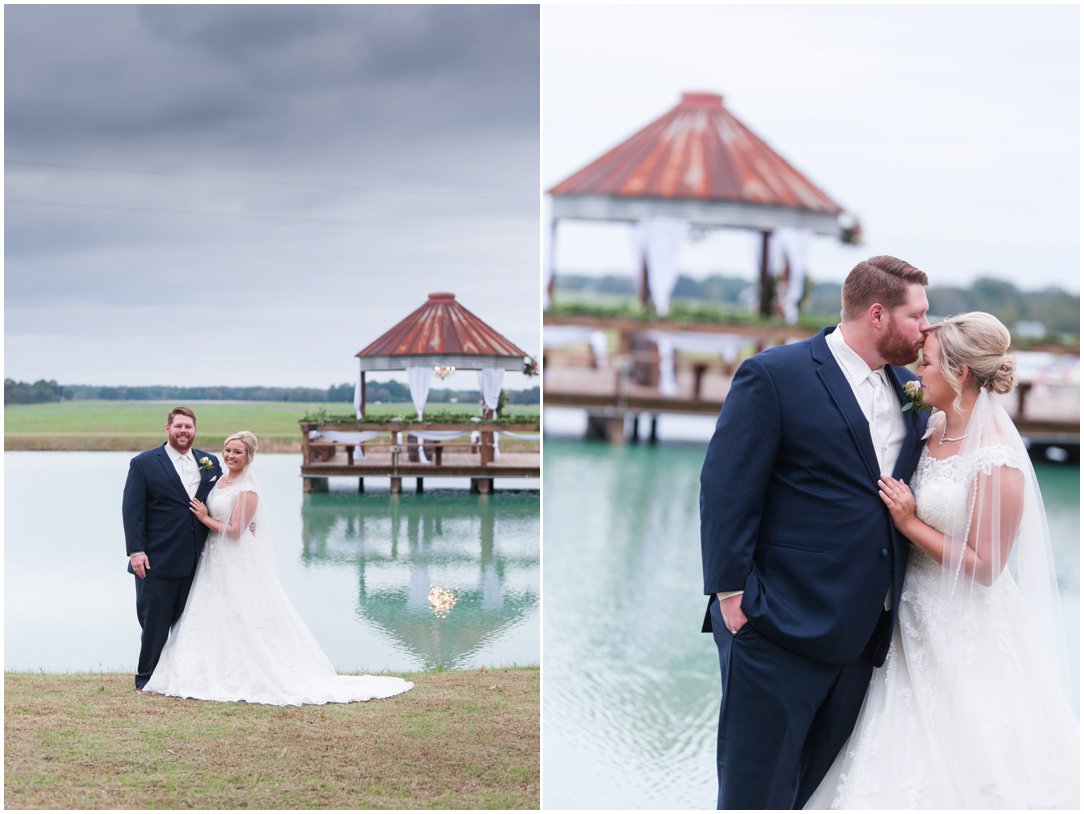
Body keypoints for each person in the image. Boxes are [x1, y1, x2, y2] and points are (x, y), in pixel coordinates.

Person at [805, 313, 1079, 809]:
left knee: (967, 757)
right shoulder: (928, 426)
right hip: (904, 617)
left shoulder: (997, 459)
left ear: (961, 374)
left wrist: (911, 523)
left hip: (962, 626)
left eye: (926, 363)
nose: (916, 373)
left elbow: (987, 565)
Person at [700, 255, 931, 809]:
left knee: (819, 793)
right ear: (877, 314)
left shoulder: (911, 388)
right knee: (756, 794)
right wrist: (733, 597)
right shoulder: (774, 374)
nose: (927, 327)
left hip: (863, 638)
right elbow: (727, 487)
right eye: (917, 315)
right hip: (776, 624)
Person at [142, 431, 413, 705]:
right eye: (227, 450)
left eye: (237, 452)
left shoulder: (247, 490)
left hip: (234, 556)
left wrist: (204, 518)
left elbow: (235, 531)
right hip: (212, 557)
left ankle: (250, 670)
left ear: (249, 456)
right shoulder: (219, 479)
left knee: (241, 610)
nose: (230, 456)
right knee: (210, 609)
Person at [123, 406, 223, 689]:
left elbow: (221, 499)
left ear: (195, 430)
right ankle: (147, 679)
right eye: (178, 426)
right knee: (154, 621)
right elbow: (132, 511)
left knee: (191, 622)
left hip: (198, 558)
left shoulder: (210, 462)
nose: (183, 431)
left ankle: (184, 678)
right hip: (157, 558)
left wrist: (243, 520)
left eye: (188, 427)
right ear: (168, 429)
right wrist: (136, 551)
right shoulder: (143, 463)